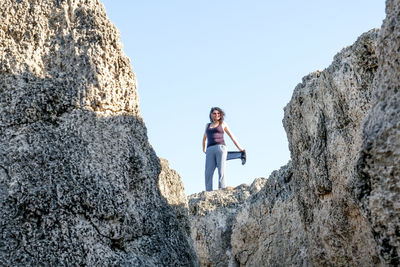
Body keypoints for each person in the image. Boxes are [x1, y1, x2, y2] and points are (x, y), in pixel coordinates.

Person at [202, 107, 244, 191]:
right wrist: (204, 150)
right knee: (208, 172)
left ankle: (222, 189)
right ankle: (208, 192)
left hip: (221, 148)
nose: (216, 115)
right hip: (210, 149)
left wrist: (240, 148)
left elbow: (232, 136)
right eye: (214, 113)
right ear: (211, 115)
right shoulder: (207, 125)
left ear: (220, 115)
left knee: (221, 171)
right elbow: (204, 138)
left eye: (218, 113)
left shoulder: (223, 124)